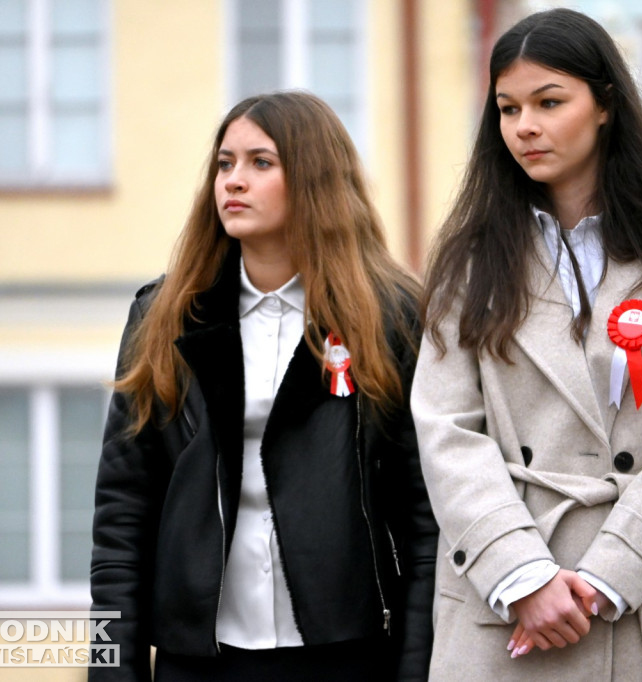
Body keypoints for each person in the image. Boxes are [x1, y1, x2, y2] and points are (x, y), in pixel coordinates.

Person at [411, 8, 642, 681]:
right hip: (501, 607)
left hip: (632, 603)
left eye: (549, 102)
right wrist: (525, 575)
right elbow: (446, 433)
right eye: (507, 108)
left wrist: (607, 576)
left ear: (605, 106)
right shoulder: (469, 263)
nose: (524, 126)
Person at [90, 91, 437, 681]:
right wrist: (108, 669)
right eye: (224, 164)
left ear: (313, 179)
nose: (233, 182)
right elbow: (120, 516)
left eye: (260, 163)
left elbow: (424, 518)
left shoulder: (393, 316)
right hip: (197, 659)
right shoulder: (164, 315)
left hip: (347, 654)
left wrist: (419, 668)